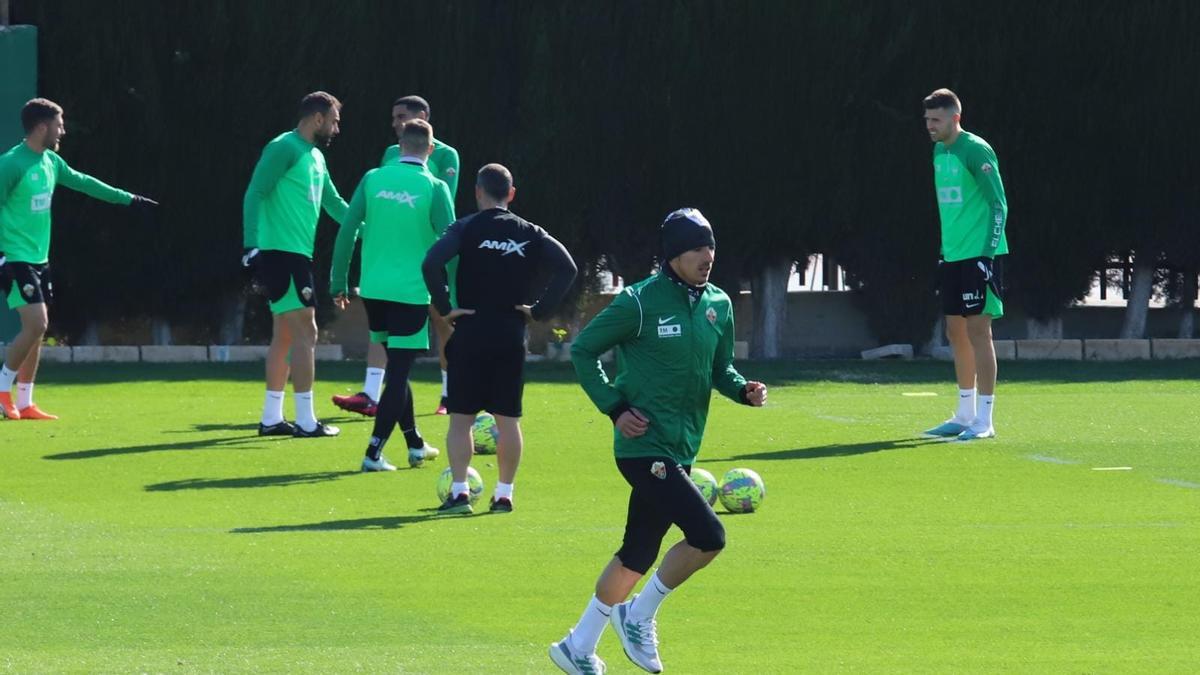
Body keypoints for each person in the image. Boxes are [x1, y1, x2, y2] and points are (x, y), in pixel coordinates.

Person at [550, 208, 767, 674]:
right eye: (696, 248)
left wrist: (742, 390)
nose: (707, 255)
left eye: (710, 245)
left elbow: (719, 370)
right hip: (643, 446)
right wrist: (614, 407)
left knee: (638, 552)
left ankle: (578, 645)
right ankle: (639, 613)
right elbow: (584, 350)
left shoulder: (719, 304)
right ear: (672, 255)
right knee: (709, 536)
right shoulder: (639, 302)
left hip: (681, 446)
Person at [421, 163, 577, 514]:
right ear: (511, 194)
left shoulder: (465, 227)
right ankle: (504, 494)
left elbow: (431, 263)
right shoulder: (530, 231)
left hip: (471, 333)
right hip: (510, 335)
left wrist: (446, 307)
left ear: (477, 191)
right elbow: (568, 267)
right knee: (508, 421)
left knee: (461, 418)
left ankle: (460, 492)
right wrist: (538, 310)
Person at [0, 98, 157, 420]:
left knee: (38, 331)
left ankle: (26, 401)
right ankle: (3, 391)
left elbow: (84, 183)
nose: (63, 130)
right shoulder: (11, 164)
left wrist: (128, 200)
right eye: (59, 124)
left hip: (39, 258)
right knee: (36, 323)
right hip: (13, 257)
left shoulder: (50, 163)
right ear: (41, 126)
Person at [330, 119, 453, 471]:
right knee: (398, 372)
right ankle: (373, 452)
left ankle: (414, 444)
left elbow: (348, 230)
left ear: (399, 147)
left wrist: (338, 280)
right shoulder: (435, 186)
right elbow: (452, 244)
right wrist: (453, 295)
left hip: (373, 291)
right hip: (411, 293)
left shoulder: (373, 178)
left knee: (399, 367)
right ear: (430, 150)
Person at [242, 91, 348, 438]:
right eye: (333, 121)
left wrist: (367, 228)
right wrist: (251, 245)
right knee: (308, 330)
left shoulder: (315, 156)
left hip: (296, 254)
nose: (336, 128)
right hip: (282, 253)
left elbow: (333, 203)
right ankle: (306, 421)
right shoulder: (284, 147)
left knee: (285, 335)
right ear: (317, 119)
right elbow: (255, 192)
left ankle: (271, 418)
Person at [921, 88, 1008, 441]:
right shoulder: (939, 151)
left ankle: (985, 420)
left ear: (955, 118)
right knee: (954, 331)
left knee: (978, 332)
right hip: (953, 255)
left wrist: (987, 255)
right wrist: (945, 249)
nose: (930, 126)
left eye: (936, 120)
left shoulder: (976, 150)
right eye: (927, 120)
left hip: (979, 256)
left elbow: (999, 205)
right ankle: (964, 413)